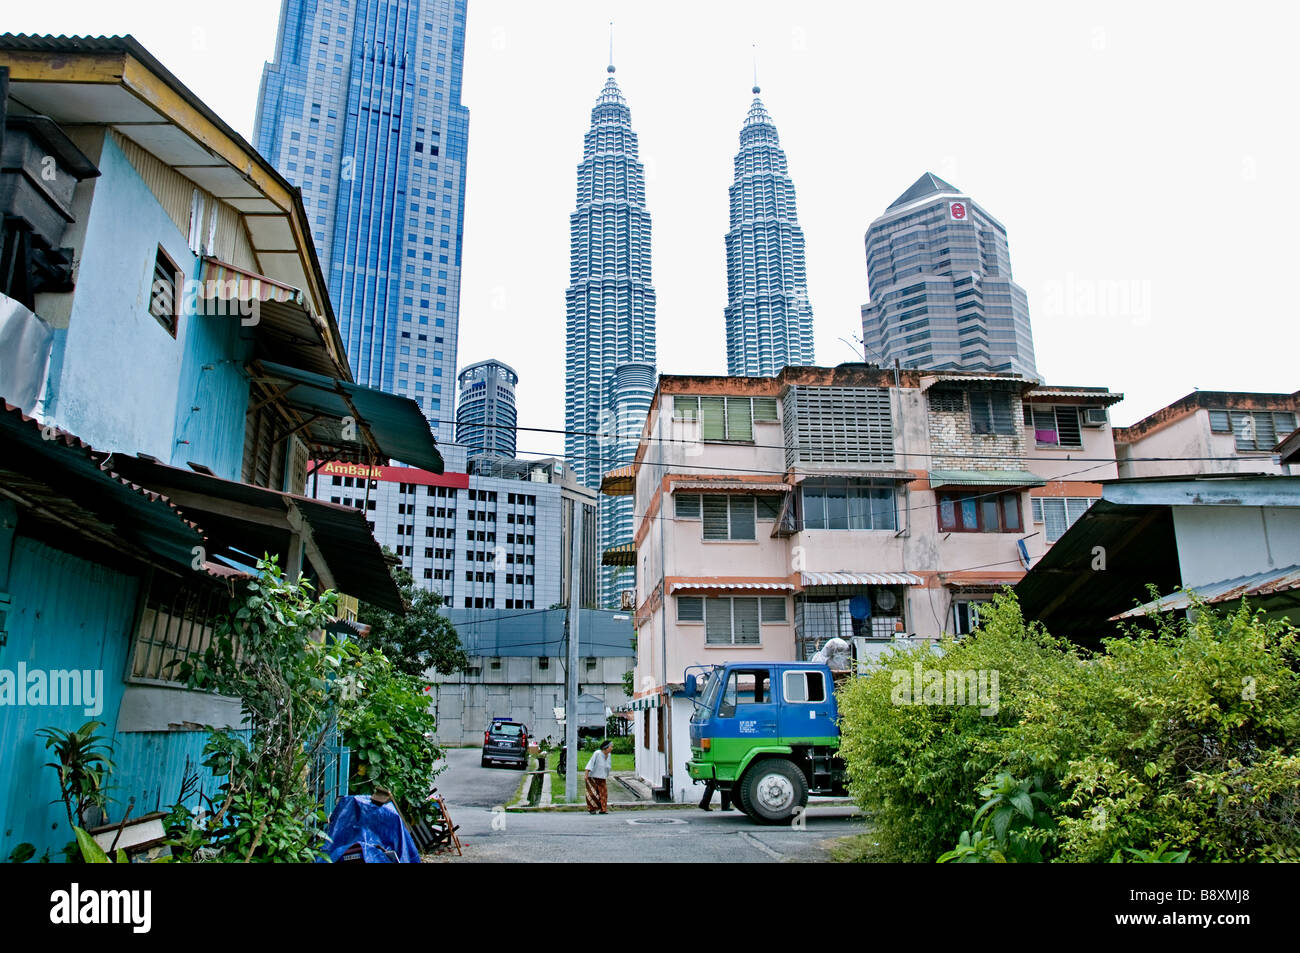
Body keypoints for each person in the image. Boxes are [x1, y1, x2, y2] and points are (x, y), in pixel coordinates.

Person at [585, 740, 613, 814]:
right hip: (593, 777)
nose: (612, 748)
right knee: (592, 793)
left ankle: (603, 809)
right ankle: (592, 809)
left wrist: (607, 775)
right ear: (606, 748)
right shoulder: (597, 753)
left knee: (603, 794)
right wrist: (586, 773)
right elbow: (591, 762)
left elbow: (608, 766)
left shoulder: (609, 755)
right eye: (611, 747)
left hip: (602, 777)